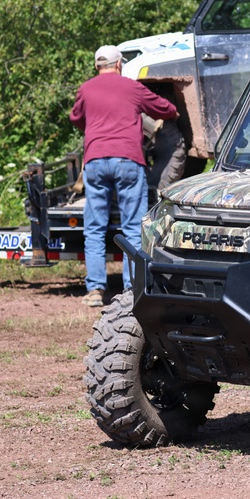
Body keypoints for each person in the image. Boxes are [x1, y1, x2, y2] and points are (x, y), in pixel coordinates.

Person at [70, 45, 178, 308]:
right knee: (131, 227)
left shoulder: (86, 89)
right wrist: (174, 113)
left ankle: (95, 290)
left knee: (94, 228)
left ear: (97, 66)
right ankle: (132, 289)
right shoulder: (132, 87)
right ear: (119, 64)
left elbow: (76, 118)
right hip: (128, 161)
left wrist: (93, 128)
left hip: (95, 161)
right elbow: (163, 108)